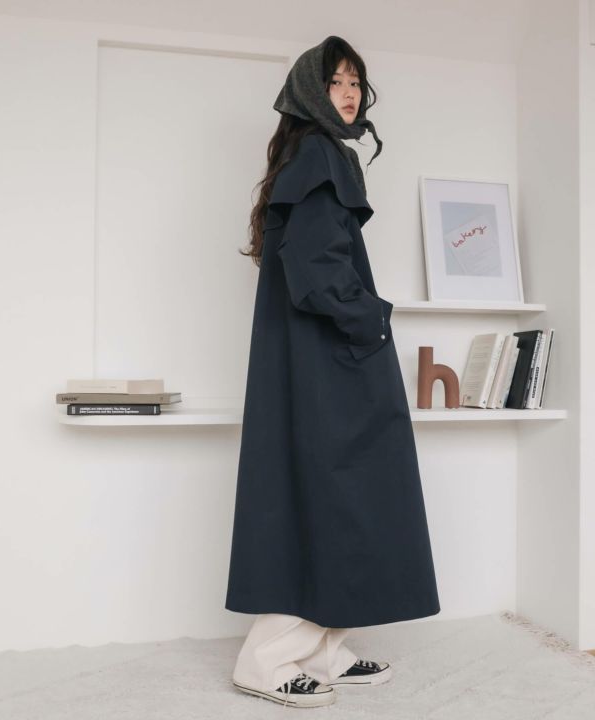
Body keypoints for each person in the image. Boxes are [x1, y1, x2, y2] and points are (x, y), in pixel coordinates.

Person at [225, 35, 441, 709]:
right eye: (336, 82)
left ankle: (319, 648)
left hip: (318, 360)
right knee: (339, 497)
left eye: (355, 83)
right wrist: (371, 320)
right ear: (309, 94)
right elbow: (317, 272)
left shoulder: (309, 155)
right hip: (330, 361)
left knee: (336, 496)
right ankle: (266, 658)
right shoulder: (320, 155)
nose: (348, 94)